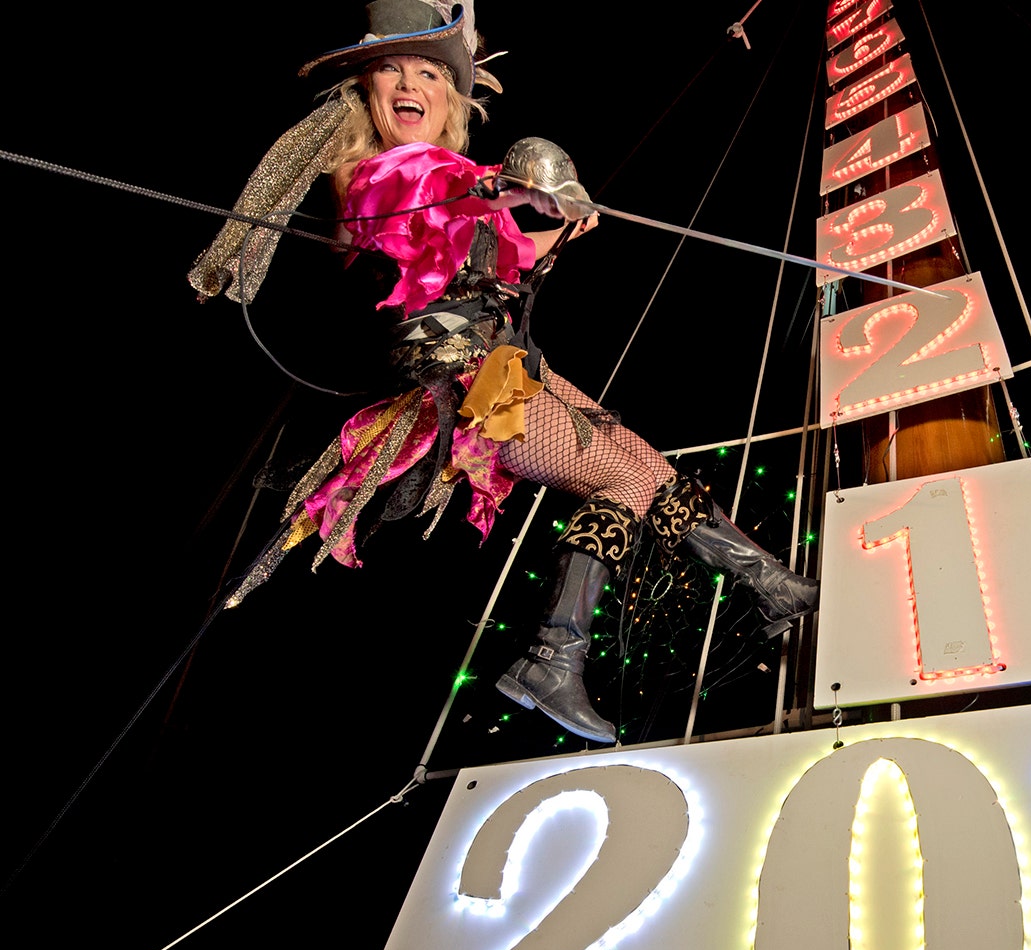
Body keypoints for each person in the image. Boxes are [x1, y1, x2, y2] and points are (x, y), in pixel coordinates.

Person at [189, 1, 816, 745]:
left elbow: (504, 255)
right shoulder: (383, 171)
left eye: (427, 71)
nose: (408, 82)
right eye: (390, 68)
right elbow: (426, 191)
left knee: (642, 461)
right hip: (462, 375)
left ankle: (772, 583)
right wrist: (508, 182)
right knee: (620, 482)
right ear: (366, 91)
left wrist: (552, 224)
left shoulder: (454, 178)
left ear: (450, 98)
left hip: (508, 363)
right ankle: (555, 656)